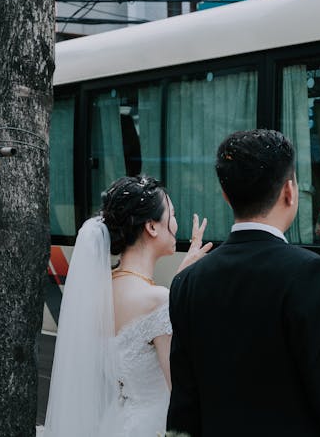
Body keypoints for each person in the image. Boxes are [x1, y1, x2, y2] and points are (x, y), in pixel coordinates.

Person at [167, 129, 320, 436]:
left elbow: (184, 402)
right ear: (290, 191)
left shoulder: (187, 281)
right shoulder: (307, 272)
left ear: (226, 196)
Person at [43, 175, 211, 437]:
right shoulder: (157, 300)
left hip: (117, 422)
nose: (176, 225)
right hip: (155, 425)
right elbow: (179, 387)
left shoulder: (101, 290)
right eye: (173, 214)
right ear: (152, 227)